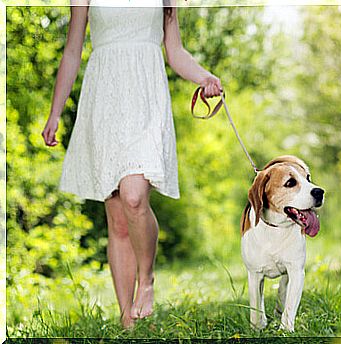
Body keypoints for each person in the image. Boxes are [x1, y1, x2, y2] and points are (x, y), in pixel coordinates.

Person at [41, 0, 222, 329]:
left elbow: (176, 51)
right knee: (118, 220)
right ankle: (127, 320)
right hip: (105, 98)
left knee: (134, 196)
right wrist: (56, 111)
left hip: (146, 98)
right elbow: (72, 50)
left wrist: (205, 77)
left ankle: (147, 279)